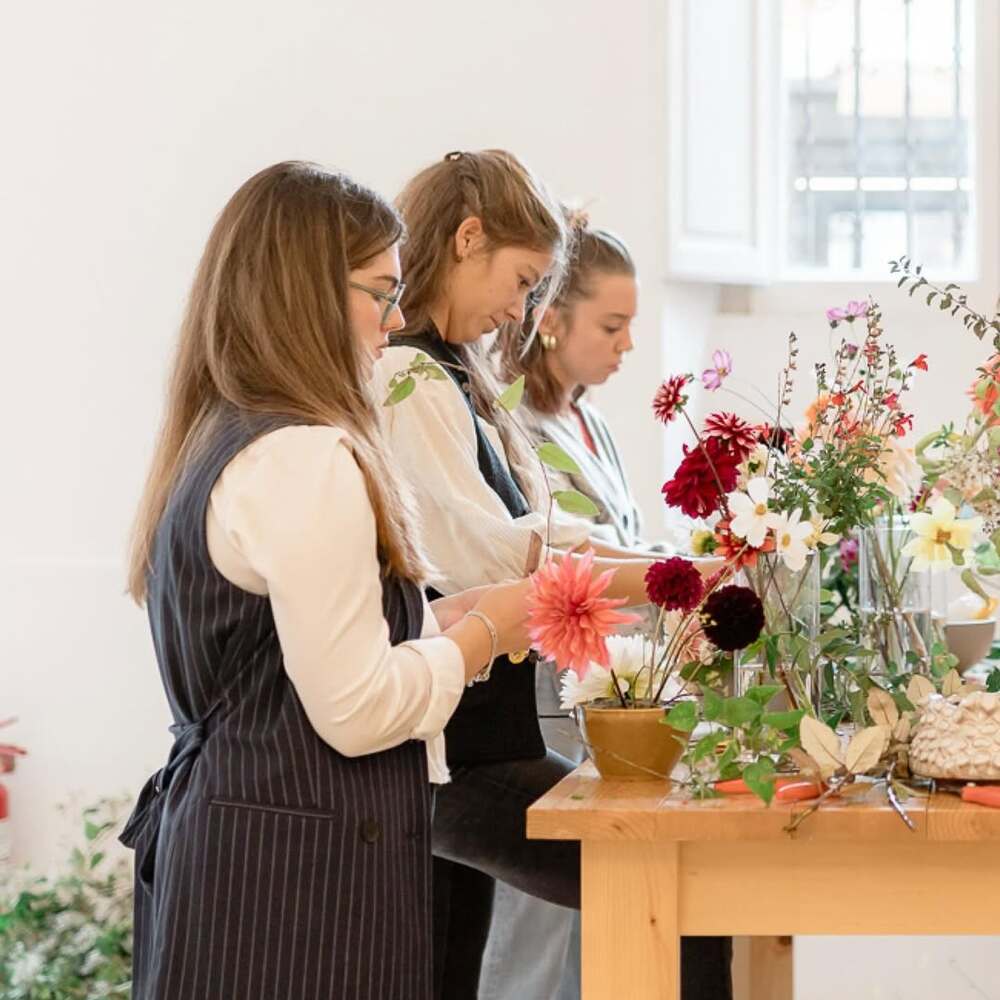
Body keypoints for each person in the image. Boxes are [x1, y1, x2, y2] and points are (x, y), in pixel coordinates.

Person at [121, 161, 535, 1000]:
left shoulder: (227, 434)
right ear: (305, 290)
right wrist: (485, 634)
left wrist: (439, 620)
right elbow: (357, 712)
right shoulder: (304, 457)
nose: (392, 321)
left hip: (246, 845)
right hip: (297, 879)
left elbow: (278, 656)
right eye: (379, 291)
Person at [374, 150, 731, 1000]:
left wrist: (674, 567)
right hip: (453, 752)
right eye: (524, 280)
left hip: (486, 740)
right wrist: (669, 582)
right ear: (467, 240)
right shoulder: (407, 376)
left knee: (448, 970)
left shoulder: (459, 374)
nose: (522, 310)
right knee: (677, 892)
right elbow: (488, 552)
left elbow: (542, 530)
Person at [485, 215, 732, 999]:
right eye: (612, 325)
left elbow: (619, 542)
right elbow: (558, 557)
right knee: (537, 941)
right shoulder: (511, 422)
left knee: (600, 944)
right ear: (549, 320)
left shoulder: (586, 419)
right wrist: (683, 572)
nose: (627, 346)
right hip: (553, 696)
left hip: (622, 696)